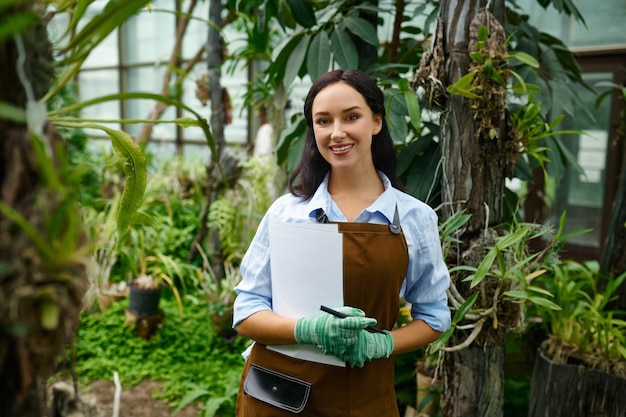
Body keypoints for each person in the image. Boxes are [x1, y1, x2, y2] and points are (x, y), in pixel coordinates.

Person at [232, 69, 451, 416]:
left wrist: (382, 343)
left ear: (376, 121)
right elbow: (246, 314)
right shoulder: (288, 213)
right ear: (313, 130)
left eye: (351, 116)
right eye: (323, 121)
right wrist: (307, 329)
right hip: (276, 396)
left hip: (363, 398)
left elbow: (435, 317)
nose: (337, 133)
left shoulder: (414, 219)